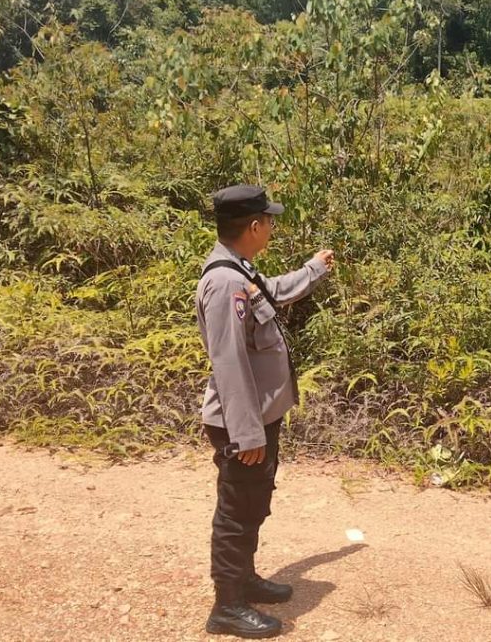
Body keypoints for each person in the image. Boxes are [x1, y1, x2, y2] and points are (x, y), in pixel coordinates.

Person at [195, 183, 334, 639]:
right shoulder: (224, 283)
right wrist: (247, 434)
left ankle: (245, 580)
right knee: (236, 512)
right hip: (243, 423)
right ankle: (227, 606)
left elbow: (272, 293)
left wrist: (313, 269)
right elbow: (229, 362)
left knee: (254, 503)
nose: (272, 226)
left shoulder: (241, 270)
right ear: (254, 226)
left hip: (258, 417)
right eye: (269, 220)